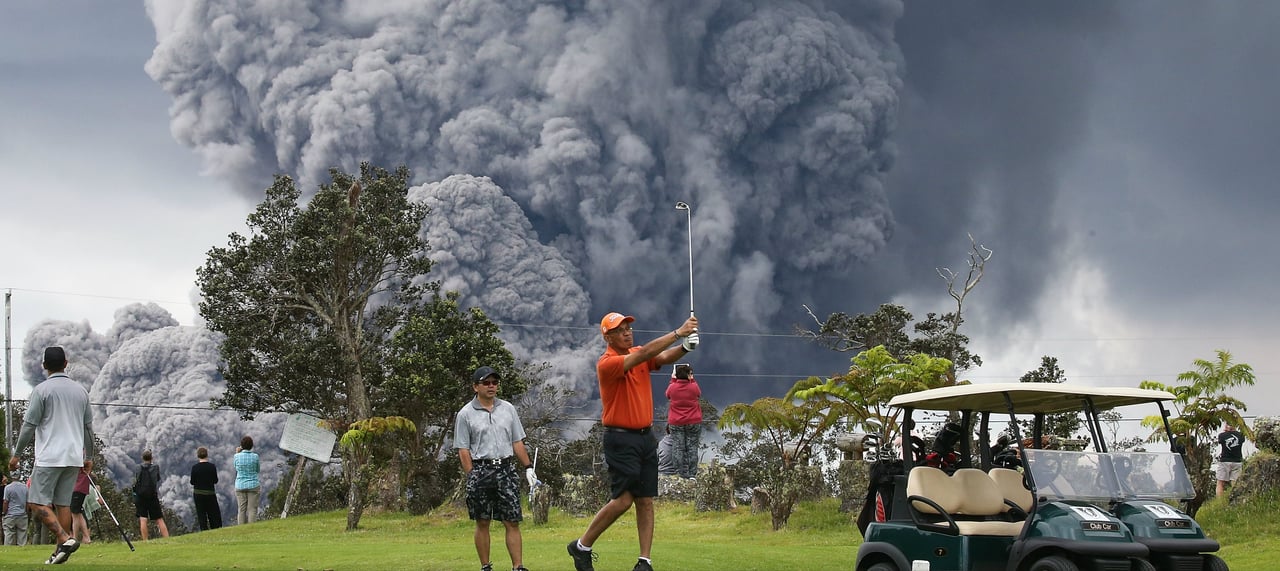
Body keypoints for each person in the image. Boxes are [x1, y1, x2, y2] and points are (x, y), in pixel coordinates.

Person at [567, 312, 699, 571]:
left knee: (645, 500)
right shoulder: (608, 363)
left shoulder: (638, 352)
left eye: (628, 328)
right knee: (624, 500)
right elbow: (643, 354)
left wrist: (684, 348)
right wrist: (678, 333)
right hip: (620, 438)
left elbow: (659, 357)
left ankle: (644, 561)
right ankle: (581, 545)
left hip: (645, 437)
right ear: (607, 336)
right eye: (620, 330)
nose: (627, 332)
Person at [8, 346, 94, 564]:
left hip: (50, 457)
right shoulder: (81, 391)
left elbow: (29, 426)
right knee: (63, 504)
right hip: (73, 456)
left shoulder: (42, 390)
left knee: (36, 502)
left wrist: (17, 455)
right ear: (66, 363)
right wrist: (89, 457)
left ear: (44, 366)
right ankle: (60, 553)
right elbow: (87, 429)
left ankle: (65, 539)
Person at [455, 366, 538, 571]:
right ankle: (486, 566)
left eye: (494, 382)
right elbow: (463, 449)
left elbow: (517, 441)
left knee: (512, 520)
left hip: (506, 469)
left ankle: (518, 566)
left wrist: (528, 467)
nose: (491, 386)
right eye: (486, 383)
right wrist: (471, 475)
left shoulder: (508, 408)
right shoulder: (465, 414)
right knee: (482, 520)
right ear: (476, 386)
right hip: (481, 469)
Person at [665, 364, 702, 479]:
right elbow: (698, 394)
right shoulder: (694, 386)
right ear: (688, 375)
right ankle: (692, 474)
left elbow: (668, 395)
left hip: (676, 422)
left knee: (677, 447)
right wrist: (692, 379)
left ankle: (678, 474)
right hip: (693, 421)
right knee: (692, 447)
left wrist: (673, 379)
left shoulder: (672, 387)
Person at [134, 449, 170, 540]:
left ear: (142, 458)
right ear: (151, 458)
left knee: (143, 519)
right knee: (159, 518)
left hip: (141, 496)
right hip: (152, 495)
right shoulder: (155, 467)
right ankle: (167, 538)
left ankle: (145, 541)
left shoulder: (138, 468)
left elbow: (136, 479)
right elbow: (157, 479)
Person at [191, 446, 222, 530]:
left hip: (198, 495)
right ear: (207, 455)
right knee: (213, 515)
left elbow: (192, 482)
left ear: (198, 456)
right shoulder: (212, 467)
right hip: (210, 494)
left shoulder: (195, 467)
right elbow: (215, 480)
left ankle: (204, 531)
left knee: (201, 516)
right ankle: (215, 531)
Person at [234, 436, 261, 524]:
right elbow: (257, 470)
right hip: (253, 485)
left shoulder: (236, 456)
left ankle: (241, 530)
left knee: (241, 509)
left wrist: (238, 452)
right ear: (251, 446)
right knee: (252, 509)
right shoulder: (255, 456)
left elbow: (236, 468)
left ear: (241, 446)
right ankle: (251, 530)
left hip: (240, 485)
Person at [1216, 423, 1246, 497]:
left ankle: (1220, 501)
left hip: (1225, 461)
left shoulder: (1222, 435)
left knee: (1220, 483)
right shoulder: (1241, 435)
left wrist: (1226, 431)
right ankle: (1235, 499)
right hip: (1237, 461)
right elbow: (1241, 440)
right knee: (1235, 483)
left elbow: (1220, 441)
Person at [3, 473, 28, 546]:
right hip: (22, 514)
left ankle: (7, 550)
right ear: (19, 476)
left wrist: (4, 512)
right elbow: (27, 502)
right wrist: (27, 512)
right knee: (22, 535)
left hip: (10, 514)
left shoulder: (8, 488)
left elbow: (5, 502)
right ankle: (22, 550)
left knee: (9, 534)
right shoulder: (25, 487)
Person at [70, 469, 92, 544]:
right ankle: (86, 537)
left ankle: (75, 538)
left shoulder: (80, 466)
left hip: (77, 489)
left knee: (74, 515)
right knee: (79, 513)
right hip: (81, 489)